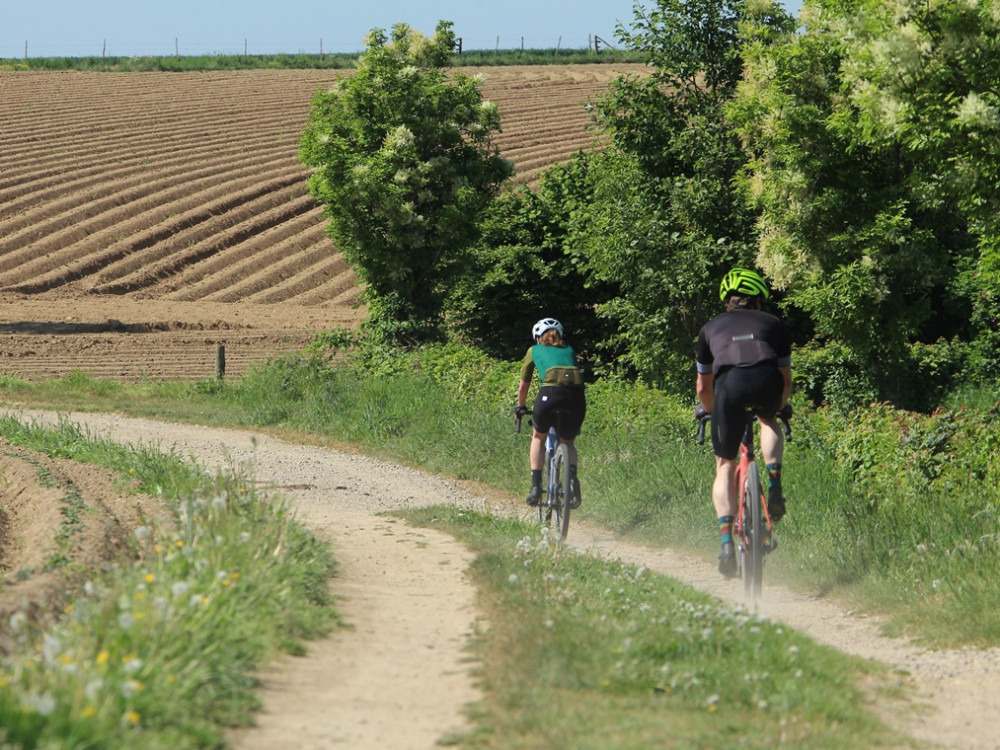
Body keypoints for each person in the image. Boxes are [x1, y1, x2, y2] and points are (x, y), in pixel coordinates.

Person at [695, 268, 792, 578]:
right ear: (758, 303)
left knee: (725, 463)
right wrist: (779, 406)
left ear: (728, 303)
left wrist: (711, 412)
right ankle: (774, 484)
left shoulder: (709, 328)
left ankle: (726, 543)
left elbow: (702, 387)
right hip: (766, 380)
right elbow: (785, 378)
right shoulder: (775, 324)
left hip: (729, 387)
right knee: (768, 420)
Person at [515, 318, 587, 508]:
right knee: (568, 442)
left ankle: (536, 487)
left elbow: (524, 386)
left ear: (538, 338)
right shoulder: (569, 350)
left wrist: (520, 407)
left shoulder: (534, 350)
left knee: (538, 437)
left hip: (549, 395)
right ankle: (572, 484)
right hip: (576, 398)